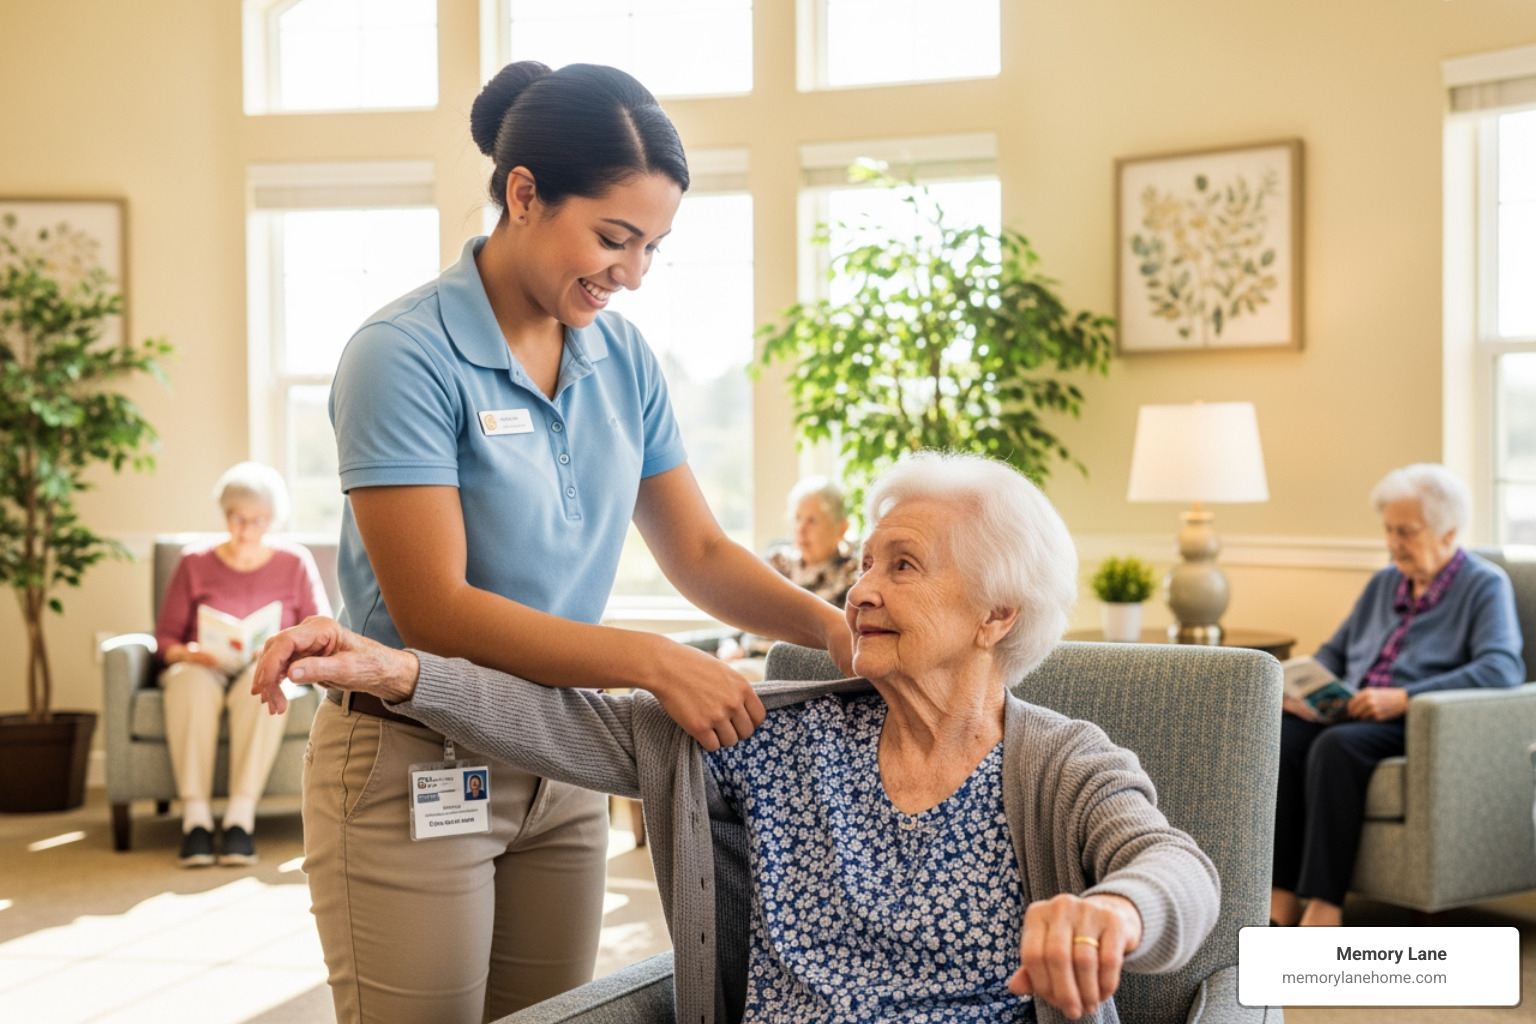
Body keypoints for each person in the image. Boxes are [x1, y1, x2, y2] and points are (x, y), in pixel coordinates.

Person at [252, 61, 851, 1023]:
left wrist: (838, 631)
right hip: (415, 757)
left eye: (653, 247)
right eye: (613, 238)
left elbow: (698, 552)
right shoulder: (402, 354)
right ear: (524, 194)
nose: (633, 274)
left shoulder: (623, 356)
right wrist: (655, 662)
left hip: (562, 756)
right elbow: (436, 612)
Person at [256, 452, 1219, 1024]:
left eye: (904, 566)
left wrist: (1115, 911)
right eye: (865, 562)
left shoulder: (1057, 762)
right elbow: (570, 725)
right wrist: (397, 671)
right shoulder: (783, 737)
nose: (860, 589)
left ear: (996, 616)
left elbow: (1176, 867)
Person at [1270, 463, 1524, 927]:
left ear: (1449, 532)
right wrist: (1301, 687)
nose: (1393, 543)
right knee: (1283, 736)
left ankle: (1326, 907)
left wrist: (1404, 697)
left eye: (1405, 532)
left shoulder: (1484, 586)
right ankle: (1279, 900)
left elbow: (1502, 667)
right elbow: (1334, 652)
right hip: (1353, 709)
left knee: (1335, 747)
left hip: (1417, 721)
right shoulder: (1384, 582)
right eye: (1388, 530)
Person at [153, 461, 328, 867]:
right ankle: (195, 820)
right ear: (225, 514)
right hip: (204, 666)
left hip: (264, 665)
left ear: (273, 519)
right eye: (238, 518)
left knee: (264, 681)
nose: (247, 530)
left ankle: (239, 820)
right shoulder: (194, 561)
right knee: (188, 681)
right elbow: (164, 640)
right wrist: (189, 653)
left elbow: (320, 633)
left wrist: (278, 651)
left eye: (258, 520)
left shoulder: (295, 562)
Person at [719, 475, 861, 662]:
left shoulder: (850, 575)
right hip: (742, 658)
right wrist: (728, 643)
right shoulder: (777, 562)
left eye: (812, 520)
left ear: (841, 528)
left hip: (786, 667)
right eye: (797, 518)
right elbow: (741, 611)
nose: (801, 529)